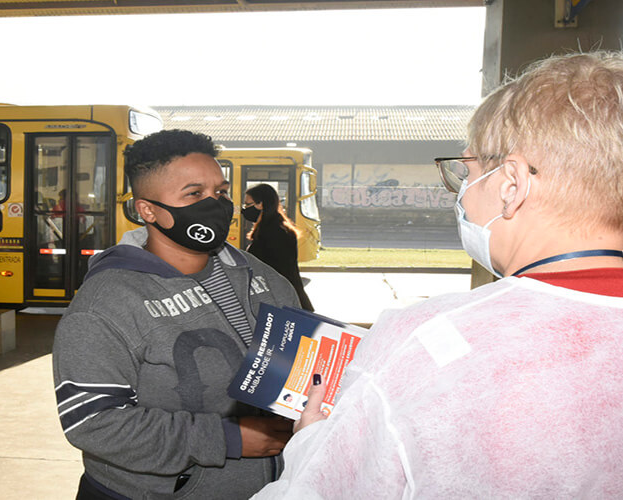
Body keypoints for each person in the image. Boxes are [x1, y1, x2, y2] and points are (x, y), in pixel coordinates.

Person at [253, 51, 623, 498]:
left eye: (467, 171)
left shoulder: (426, 339)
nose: (461, 193)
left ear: (512, 184)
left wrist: (312, 440)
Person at [53, 129, 301, 499]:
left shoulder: (262, 278)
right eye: (194, 194)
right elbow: (94, 423)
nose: (216, 204)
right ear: (147, 210)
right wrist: (227, 439)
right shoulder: (104, 306)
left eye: (220, 191)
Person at [243, 183, 314, 311]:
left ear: (261, 204)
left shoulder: (274, 231)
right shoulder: (274, 227)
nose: (245, 209)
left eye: (247, 204)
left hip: (281, 301)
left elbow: (275, 269)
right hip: (283, 299)